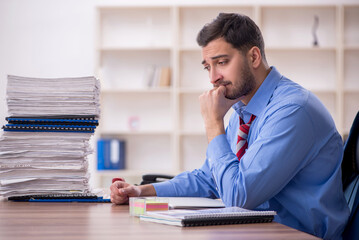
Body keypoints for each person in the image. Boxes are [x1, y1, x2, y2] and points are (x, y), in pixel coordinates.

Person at [110, 13, 350, 239]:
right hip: (258, 231)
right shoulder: (242, 108)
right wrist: (142, 192)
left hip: (298, 235)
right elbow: (209, 178)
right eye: (207, 67)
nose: (213, 77)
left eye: (221, 62)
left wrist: (213, 123)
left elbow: (239, 196)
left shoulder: (293, 111)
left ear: (254, 57)